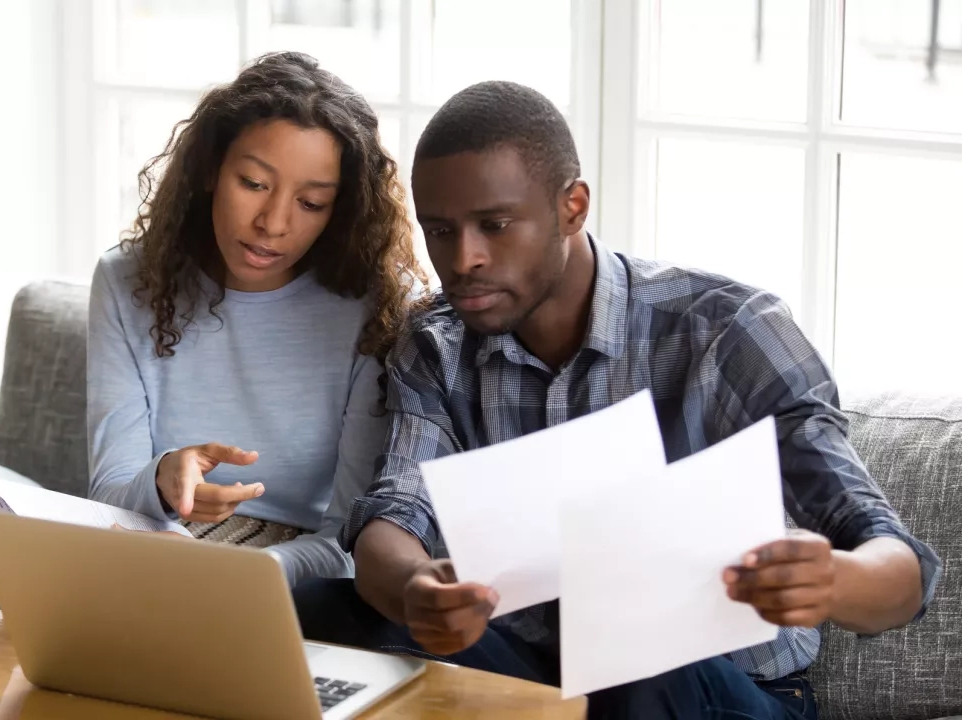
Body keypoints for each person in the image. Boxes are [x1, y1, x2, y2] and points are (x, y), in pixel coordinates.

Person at [291, 80, 941, 719]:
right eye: (440, 231)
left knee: (640, 670)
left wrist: (834, 580)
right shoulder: (436, 342)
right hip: (538, 674)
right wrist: (415, 592)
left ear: (572, 206)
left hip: (717, 691)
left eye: (495, 225)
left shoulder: (726, 332)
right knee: (317, 610)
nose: (464, 259)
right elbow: (395, 513)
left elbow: (900, 567)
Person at [86, 51, 426, 587]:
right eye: (253, 184)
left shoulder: (377, 305)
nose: (273, 223)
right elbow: (108, 498)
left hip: (302, 578)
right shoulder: (127, 280)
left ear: (340, 212)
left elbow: (351, 539)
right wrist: (162, 477)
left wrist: (249, 576)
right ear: (209, 171)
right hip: (156, 554)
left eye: (311, 203)